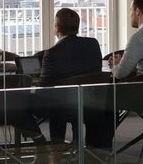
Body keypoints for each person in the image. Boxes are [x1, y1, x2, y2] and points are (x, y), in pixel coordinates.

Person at [37, 8, 108, 147]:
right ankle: (90, 150)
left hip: (64, 109)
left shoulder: (52, 53)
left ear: (57, 27)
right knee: (60, 98)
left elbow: (42, 90)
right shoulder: (92, 44)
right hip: (91, 104)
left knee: (52, 101)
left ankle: (53, 150)